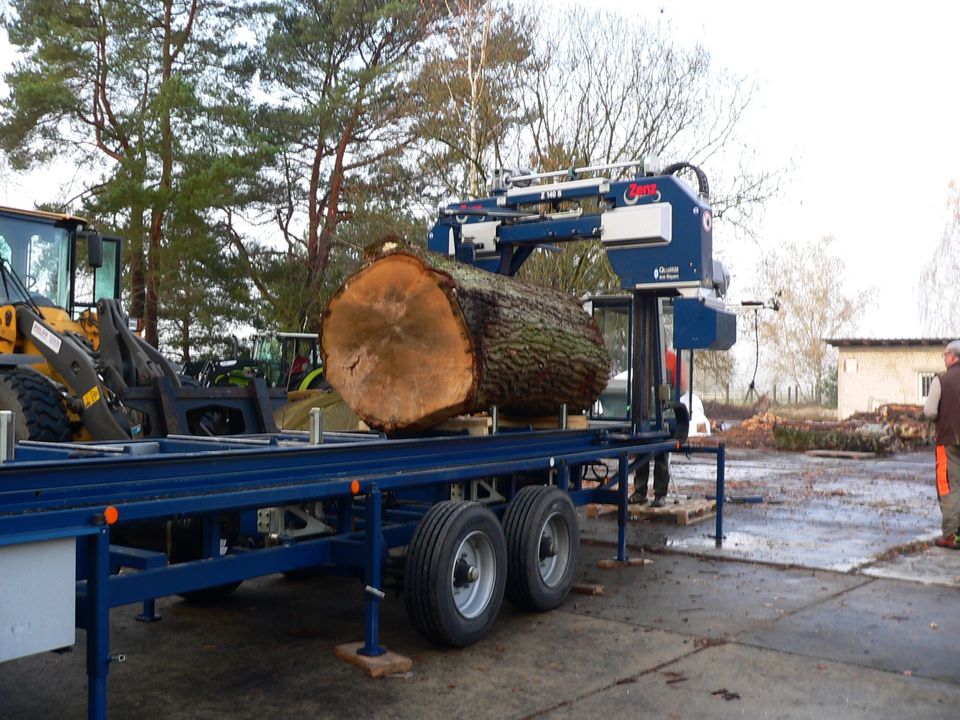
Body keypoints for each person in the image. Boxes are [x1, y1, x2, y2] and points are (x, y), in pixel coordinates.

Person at [630, 349, 686, 508]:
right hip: (645, 414)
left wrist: (665, 400)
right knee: (641, 453)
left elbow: (681, 387)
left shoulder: (673, 359)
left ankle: (660, 494)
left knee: (660, 454)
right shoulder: (643, 358)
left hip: (664, 414)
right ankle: (639, 492)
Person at [923, 340, 960, 549]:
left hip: (948, 441)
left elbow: (930, 411)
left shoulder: (942, 378)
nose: (944, 359)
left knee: (949, 486)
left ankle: (952, 535)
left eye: (945, 355)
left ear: (952, 357)